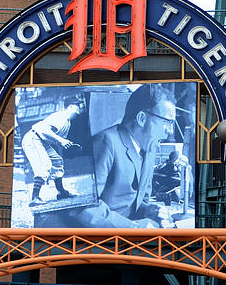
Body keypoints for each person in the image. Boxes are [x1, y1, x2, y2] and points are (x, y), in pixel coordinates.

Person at [75, 84, 176, 228]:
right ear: (142, 118)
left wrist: (147, 211)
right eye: (167, 122)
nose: (170, 131)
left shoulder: (149, 149)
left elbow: (136, 202)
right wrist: (134, 227)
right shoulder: (106, 142)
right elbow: (83, 207)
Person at [22, 96, 84, 204]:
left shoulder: (67, 122)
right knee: (45, 165)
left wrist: (69, 146)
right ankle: (35, 197)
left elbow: (57, 141)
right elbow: (43, 130)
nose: (80, 107)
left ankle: (61, 192)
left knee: (57, 161)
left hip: (42, 141)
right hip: (34, 138)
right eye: (77, 105)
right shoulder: (61, 116)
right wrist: (61, 141)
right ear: (70, 106)